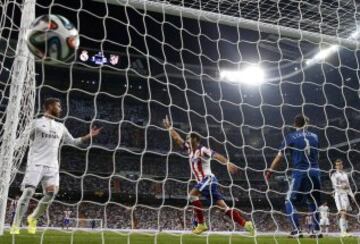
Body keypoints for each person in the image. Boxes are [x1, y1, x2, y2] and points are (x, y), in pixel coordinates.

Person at [10, 98, 102, 235]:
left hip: (52, 165)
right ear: (49, 106)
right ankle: (16, 225)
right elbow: (21, 141)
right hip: (36, 163)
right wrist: (8, 148)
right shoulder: (35, 123)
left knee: (51, 194)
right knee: (28, 192)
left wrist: (89, 135)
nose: (61, 108)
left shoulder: (60, 127)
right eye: (58, 106)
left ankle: (32, 218)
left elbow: (74, 142)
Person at [163, 115, 254, 235]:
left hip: (208, 179)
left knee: (192, 195)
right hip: (205, 183)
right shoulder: (189, 150)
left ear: (195, 139)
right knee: (224, 208)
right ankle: (246, 224)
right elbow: (177, 138)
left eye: (189, 138)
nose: (187, 140)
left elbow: (216, 155)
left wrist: (227, 163)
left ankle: (201, 224)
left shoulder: (203, 149)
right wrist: (170, 128)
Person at [266, 114, 321, 238]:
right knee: (313, 201)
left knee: (289, 201)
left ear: (295, 124)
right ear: (307, 123)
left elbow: (280, 156)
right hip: (315, 171)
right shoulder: (315, 136)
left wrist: (270, 171)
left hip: (300, 172)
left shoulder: (290, 137)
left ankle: (297, 230)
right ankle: (316, 231)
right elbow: (317, 154)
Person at [331, 159, 354, 237]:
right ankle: (343, 232)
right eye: (337, 165)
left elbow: (348, 185)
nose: (339, 166)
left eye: (340, 164)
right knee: (343, 212)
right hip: (339, 195)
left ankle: (346, 230)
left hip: (346, 195)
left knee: (346, 213)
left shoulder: (345, 174)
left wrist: (352, 195)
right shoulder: (334, 175)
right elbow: (334, 185)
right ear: (335, 166)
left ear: (342, 165)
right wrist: (342, 186)